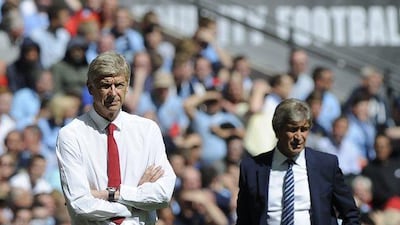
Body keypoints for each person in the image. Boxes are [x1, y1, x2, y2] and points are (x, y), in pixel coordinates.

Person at [56, 51, 176, 225]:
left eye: (119, 85)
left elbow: (163, 194)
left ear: (127, 86)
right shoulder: (71, 135)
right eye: (106, 85)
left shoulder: (147, 130)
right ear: (90, 88)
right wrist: (135, 202)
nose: (113, 93)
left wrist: (110, 194)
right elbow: (80, 203)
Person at [236, 98, 359, 225]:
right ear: (278, 130)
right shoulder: (252, 168)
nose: (299, 137)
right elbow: (244, 219)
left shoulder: (326, 165)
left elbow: (350, 214)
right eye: (293, 129)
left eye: (304, 129)